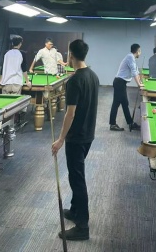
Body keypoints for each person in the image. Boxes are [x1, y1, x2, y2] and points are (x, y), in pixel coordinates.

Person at [51, 39, 99, 242]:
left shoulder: (74, 81)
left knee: (77, 179)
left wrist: (60, 139)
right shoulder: (93, 76)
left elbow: (70, 114)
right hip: (88, 135)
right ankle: (75, 210)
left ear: (70, 55)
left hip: (76, 138)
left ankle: (82, 227)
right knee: (76, 174)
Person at [109, 43, 143, 132]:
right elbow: (134, 72)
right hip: (119, 82)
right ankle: (115, 124)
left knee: (123, 103)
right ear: (138, 51)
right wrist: (139, 85)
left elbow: (137, 72)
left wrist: (140, 82)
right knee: (118, 104)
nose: (140, 53)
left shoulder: (132, 58)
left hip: (120, 83)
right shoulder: (130, 57)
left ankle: (129, 123)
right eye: (140, 51)